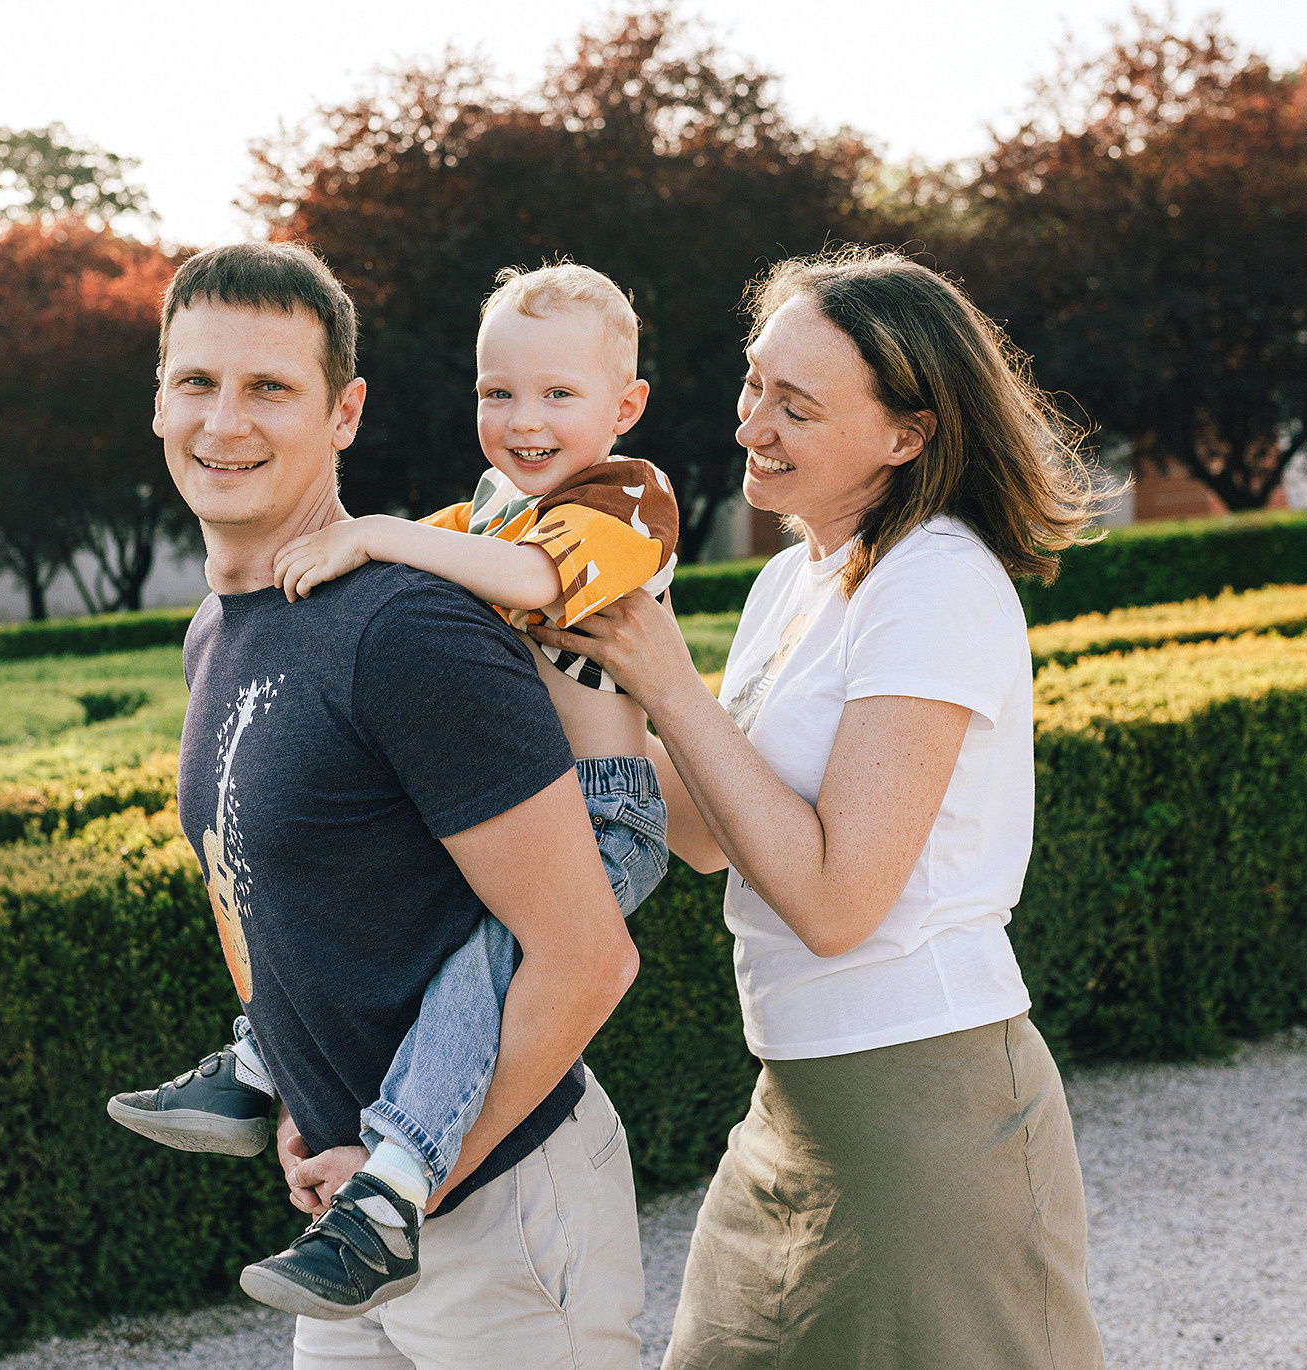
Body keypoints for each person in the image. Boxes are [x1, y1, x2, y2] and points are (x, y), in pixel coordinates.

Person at [530, 247, 1110, 1369]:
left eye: (794, 406)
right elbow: (704, 835)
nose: (750, 423)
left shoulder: (935, 580)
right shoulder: (792, 578)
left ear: (905, 434)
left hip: (928, 1111)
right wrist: (552, 691)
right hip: (790, 1104)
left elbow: (838, 901)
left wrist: (666, 680)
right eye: (754, 383)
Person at [112, 261, 723, 1322]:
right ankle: (259, 1069)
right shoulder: (223, 627)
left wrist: (401, 1176)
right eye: (197, 381)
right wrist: (313, 1099)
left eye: (268, 387)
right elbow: (328, 902)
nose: (222, 419)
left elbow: (582, 954)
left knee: (486, 954)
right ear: (158, 398)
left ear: (344, 410)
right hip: (350, 1191)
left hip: (490, 1201)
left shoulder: (411, 617)